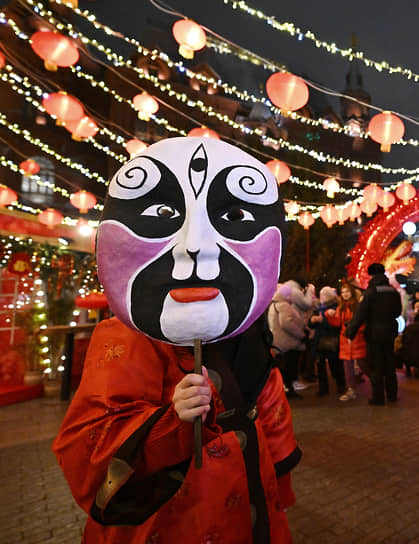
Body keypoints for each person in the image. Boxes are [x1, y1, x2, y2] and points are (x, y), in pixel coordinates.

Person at [52, 137, 300, 543]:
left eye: (235, 214)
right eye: (164, 212)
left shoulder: (252, 333)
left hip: (252, 507)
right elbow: (86, 443)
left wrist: (280, 494)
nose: (196, 245)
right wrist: (170, 423)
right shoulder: (124, 338)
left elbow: (273, 418)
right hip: (170, 520)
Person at [346, 263, 402, 406]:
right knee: (390, 364)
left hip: (374, 334)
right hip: (389, 332)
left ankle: (378, 397)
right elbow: (397, 312)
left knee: (376, 366)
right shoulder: (393, 291)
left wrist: (350, 332)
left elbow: (360, 314)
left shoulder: (370, 293)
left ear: (371, 275)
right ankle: (392, 395)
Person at [268, 280, 313, 399]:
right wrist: (301, 335)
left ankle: (286, 389)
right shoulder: (284, 305)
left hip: (279, 342)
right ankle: (289, 390)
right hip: (287, 342)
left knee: (284, 368)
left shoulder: (274, 304)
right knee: (289, 367)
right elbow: (287, 323)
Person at [326, 280, 367, 401]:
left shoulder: (357, 306)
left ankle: (376, 383)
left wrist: (355, 332)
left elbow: (362, 323)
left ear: (352, 292)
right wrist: (329, 315)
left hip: (357, 338)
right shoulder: (341, 306)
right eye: (343, 292)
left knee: (362, 363)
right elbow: (337, 322)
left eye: (347, 291)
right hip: (345, 340)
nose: (345, 294)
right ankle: (351, 389)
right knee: (347, 366)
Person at [309, 286, 345, 396]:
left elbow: (336, 324)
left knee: (335, 364)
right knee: (320, 365)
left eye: (324, 295)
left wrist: (323, 320)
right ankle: (323, 388)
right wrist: (313, 320)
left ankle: (341, 384)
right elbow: (310, 324)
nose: (322, 297)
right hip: (319, 340)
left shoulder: (336, 307)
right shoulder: (318, 307)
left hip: (331, 339)